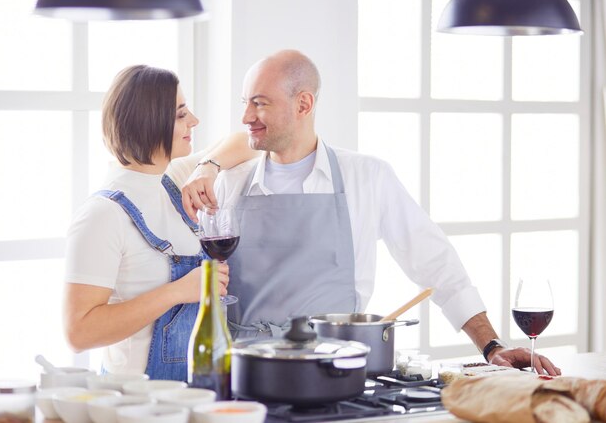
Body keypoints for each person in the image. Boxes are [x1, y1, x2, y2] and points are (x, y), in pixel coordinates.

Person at [182, 50, 561, 375]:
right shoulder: (228, 182)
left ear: (303, 104)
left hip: (334, 371)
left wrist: (490, 345)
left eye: (260, 103)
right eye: (244, 102)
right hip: (246, 372)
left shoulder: (366, 177)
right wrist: (207, 165)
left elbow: (436, 264)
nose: (247, 116)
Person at [63, 65, 256, 380]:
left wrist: (208, 167)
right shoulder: (102, 215)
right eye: (181, 114)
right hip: (136, 403)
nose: (194, 121)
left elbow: (247, 143)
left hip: (198, 394)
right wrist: (177, 291)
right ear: (147, 122)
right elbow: (79, 332)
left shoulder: (174, 180)